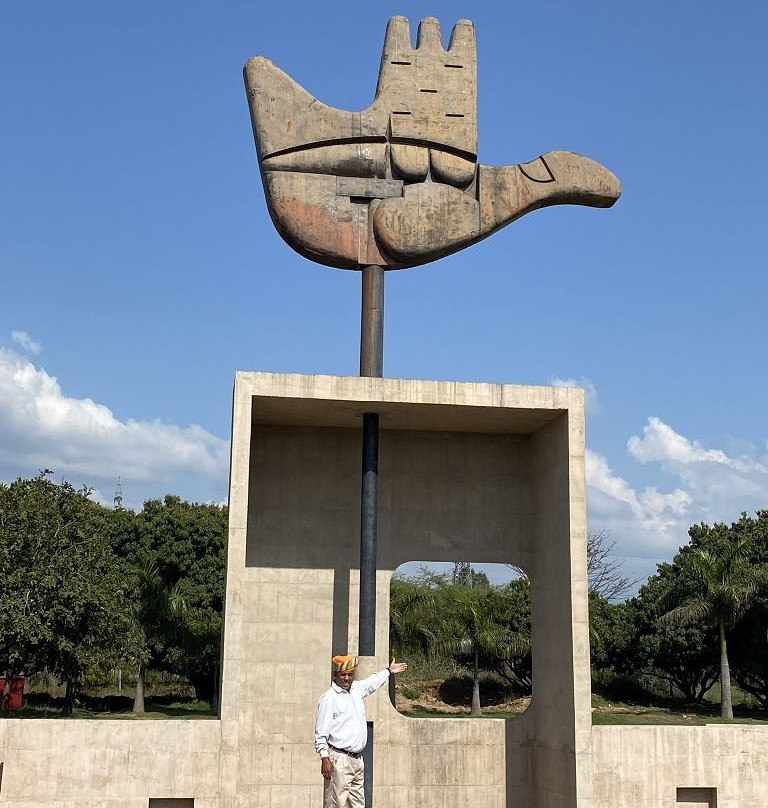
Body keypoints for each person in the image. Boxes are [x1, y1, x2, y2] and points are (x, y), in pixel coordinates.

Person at [314, 654, 408, 808]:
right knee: (335, 803)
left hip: (357, 760)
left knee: (357, 804)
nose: (346, 678)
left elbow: (372, 682)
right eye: (343, 674)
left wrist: (388, 671)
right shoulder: (329, 698)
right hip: (339, 759)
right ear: (335, 675)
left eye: (350, 674)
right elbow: (320, 733)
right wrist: (325, 758)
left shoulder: (356, 689)